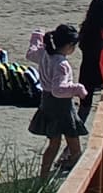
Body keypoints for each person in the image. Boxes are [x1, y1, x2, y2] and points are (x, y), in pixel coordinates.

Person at [26, 24, 87, 177]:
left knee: (54, 143)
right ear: (68, 46)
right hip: (62, 106)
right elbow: (59, 90)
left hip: (46, 102)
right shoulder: (62, 65)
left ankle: (44, 174)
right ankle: (76, 170)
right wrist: (77, 89)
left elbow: (30, 53)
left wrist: (36, 37)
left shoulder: (44, 54)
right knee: (73, 141)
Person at [76, 0, 103, 122]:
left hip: (85, 72)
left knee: (84, 107)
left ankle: (73, 135)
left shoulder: (85, 28)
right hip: (99, 75)